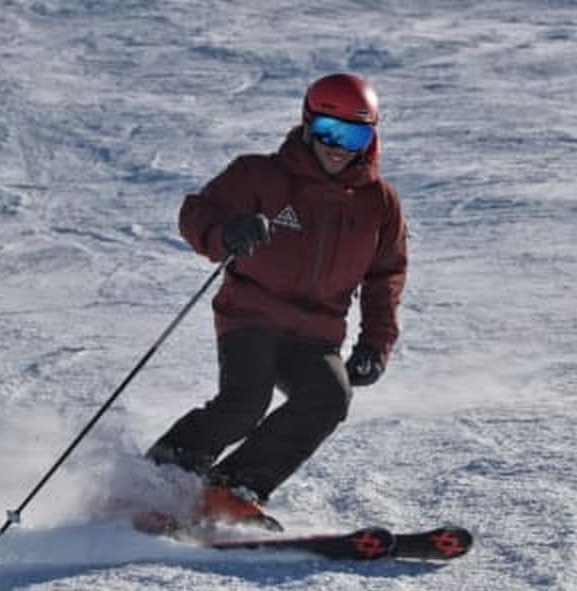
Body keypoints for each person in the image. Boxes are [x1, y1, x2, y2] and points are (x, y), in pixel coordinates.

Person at [146, 72, 408, 530]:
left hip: (318, 333)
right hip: (252, 315)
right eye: (329, 131)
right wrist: (227, 233)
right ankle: (159, 477)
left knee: (329, 397)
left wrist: (375, 345)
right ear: (307, 124)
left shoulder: (379, 204)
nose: (338, 146)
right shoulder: (260, 175)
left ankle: (232, 487)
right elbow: (195, 213)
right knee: (246, 401)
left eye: (355, 134)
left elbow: (385, 275)